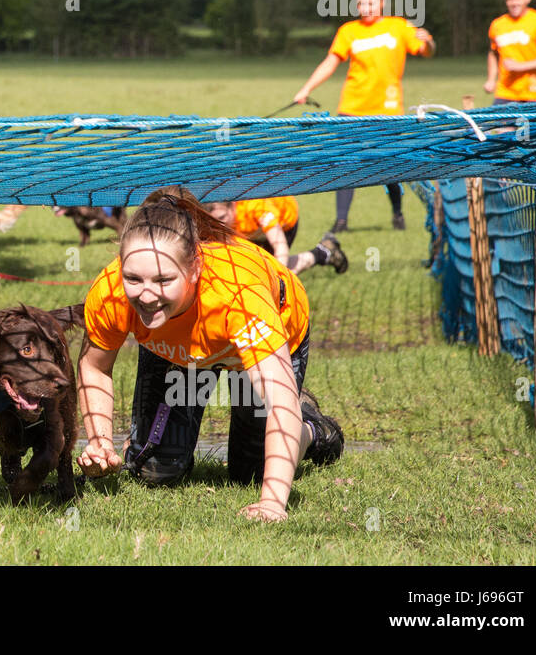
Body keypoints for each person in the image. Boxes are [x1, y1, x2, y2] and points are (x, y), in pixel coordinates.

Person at [76, 187, 344, 522]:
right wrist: (100, 442)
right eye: (133, 278)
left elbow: (279, 403)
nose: (145, 295)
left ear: (194, 268)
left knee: (253, 471)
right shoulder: (111, 291)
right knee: (155, 469)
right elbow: (94, 367)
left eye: (163, 280)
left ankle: (312, 428)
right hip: (181, 351)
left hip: (258, 338)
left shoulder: (239, 297)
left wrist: (272, 504)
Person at [292, 0, 434, 232]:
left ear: (382, 2)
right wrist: (306, 88)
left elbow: (426, 52)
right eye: (360, 3)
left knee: (389, 166)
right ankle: (341, 222)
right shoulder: (349, 31)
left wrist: (429, 42)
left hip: (388, 111)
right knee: (346, 163)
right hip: (353, 107)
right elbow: (330, 62)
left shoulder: (399, 26)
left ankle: (397, 212)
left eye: (370, 3)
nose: (365, 8)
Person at [204, 196, 348, 274]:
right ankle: (323, 252)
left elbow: (280, 246)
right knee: (256, 269)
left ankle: (323, 252)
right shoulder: (220, 221)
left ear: (233, 204)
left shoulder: (254, 206)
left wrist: (279, 278)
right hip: (255, 233)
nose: (220, 225)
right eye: (214, 221)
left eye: (222, 218)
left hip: (284, 223)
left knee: (273, 270)